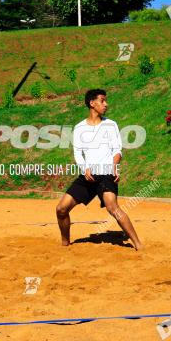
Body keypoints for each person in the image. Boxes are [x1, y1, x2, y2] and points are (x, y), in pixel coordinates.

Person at [56, 89, 144, 250]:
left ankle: (138, 244)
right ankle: (65, 244)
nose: (106, 104)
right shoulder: (80, 127)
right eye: (102, 101)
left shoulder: (111, 125)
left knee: (113, 207)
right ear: (92, 103)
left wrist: (114, 166)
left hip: (106, 174)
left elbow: (117, 150)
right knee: (61, 209)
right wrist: (85, 169)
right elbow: (78, 152)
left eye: (105, 101)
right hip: (88, 176)